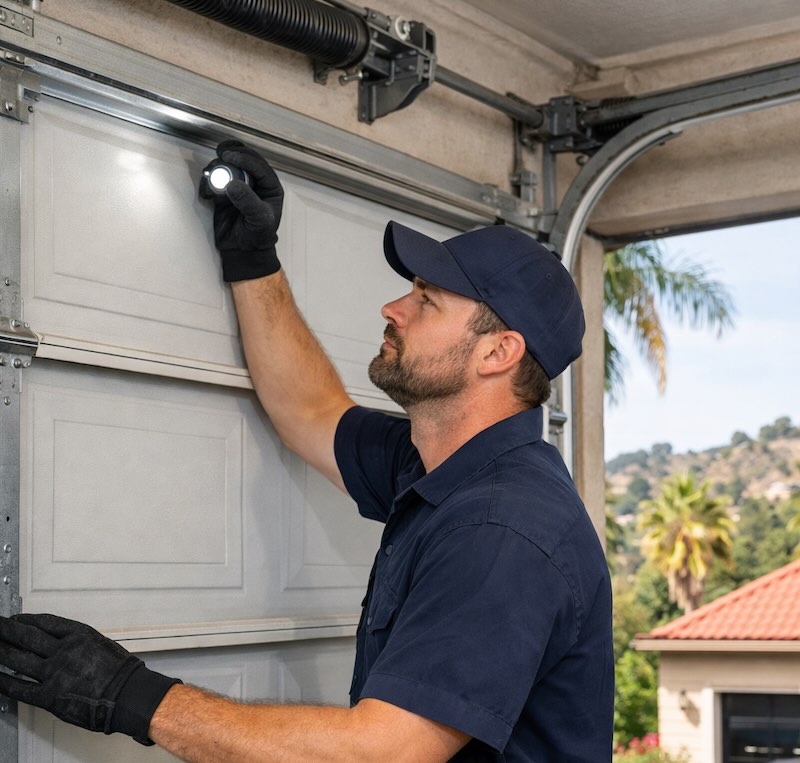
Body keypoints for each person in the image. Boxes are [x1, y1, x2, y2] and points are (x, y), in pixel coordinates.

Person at [0, 141, 613, 761]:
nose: (393, 307)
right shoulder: (434, 464)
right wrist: (253, 260)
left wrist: (130, 696)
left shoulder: (502, 528)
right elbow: (309, 409)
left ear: (498, 352)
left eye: (427, 300)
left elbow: (382, 754)